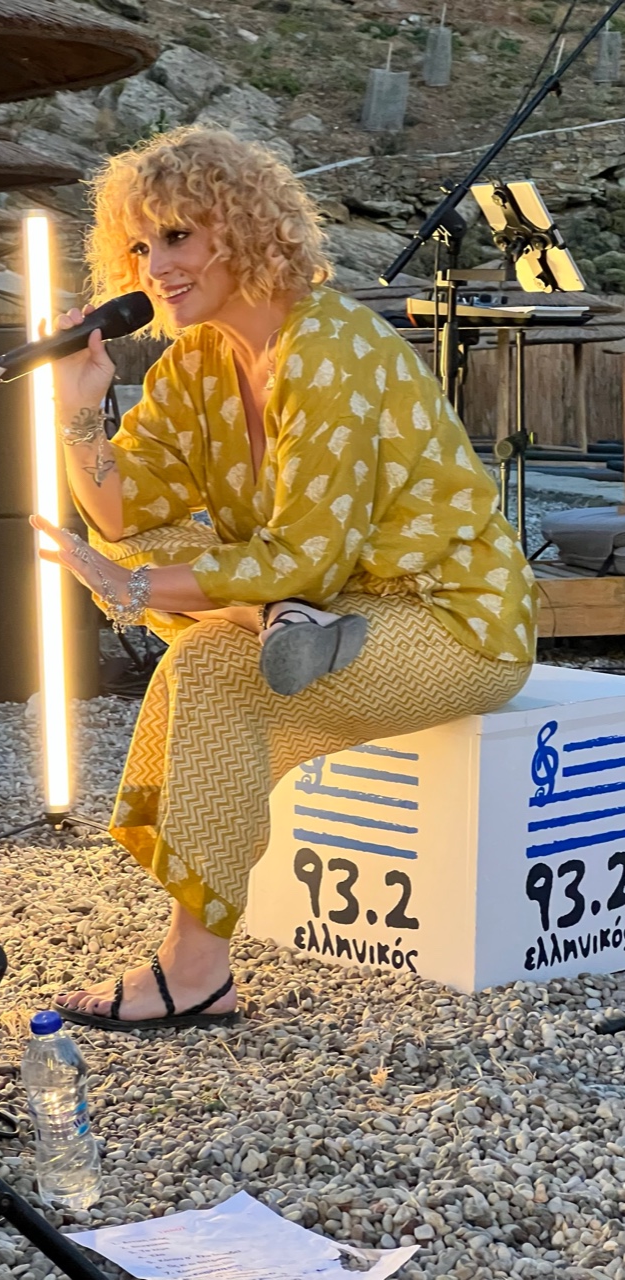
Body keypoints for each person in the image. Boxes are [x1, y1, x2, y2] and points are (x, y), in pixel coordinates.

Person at [36, 124, 537, 1034]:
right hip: (326, 595)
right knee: (151, 549)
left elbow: (306, 553)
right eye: (139, 249)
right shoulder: (196, 362)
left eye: (177, 237)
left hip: (445, 615)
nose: (156, 268)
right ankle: (277, 620)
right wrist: (77, 409)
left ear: (244, 229)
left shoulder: (328, 346)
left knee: (207, 665)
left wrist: (137, 594)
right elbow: (121, 512)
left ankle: (195, 971)